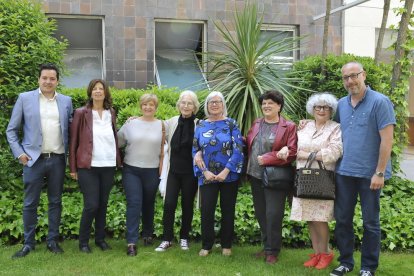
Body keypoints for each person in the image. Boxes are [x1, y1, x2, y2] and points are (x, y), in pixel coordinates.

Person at [330, 62, 395, 276]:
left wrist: (379, 172)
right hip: (344, 173)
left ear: (363, 75)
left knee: (370, 223)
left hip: (370, 175)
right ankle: (346, 262)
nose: (350, 81)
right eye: (346, 77)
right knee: (342, 220)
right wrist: (306, 124)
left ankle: (368, 267)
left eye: (354, 76)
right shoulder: (341, 104)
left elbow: (387, 140)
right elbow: (331, 132)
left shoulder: (380, 102)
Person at [6, 63, 73, 258]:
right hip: (33, 161)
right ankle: (28, 243)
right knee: (30, 203)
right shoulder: (25, 98)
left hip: (58, 160)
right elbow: (11, 130)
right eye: (45, 78)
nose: (48, 82)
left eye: (52, 79)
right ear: (39, 79)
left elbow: (72, 128)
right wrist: (20, 154)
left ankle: (52, 241)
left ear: (57, 81)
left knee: (55, 202)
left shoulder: (66, 101)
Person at [290, 93, 342, 270]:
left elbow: (335, 152)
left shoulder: (336, 128)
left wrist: (309, 155)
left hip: (322, 180)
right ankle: (317, 253)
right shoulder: (304, 126)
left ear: (331, 110)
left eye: (326, 107)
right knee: (310, 218)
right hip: (304, 178)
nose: (321, 110)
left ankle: (326, 253)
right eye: (318, 107)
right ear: (312, 109)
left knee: (320, 219)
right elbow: (294, 147)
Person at [69, 79, 122, 253]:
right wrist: (73, 168)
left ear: (105, 92)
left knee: (103, 203)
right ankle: (83, 242)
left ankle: (100, 239)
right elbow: (74, 141)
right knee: (91, 204)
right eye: (95, 89)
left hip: (107, 164)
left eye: (101, 89)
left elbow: (114, 136)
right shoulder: (81, 113)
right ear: (90, 92)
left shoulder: (111, 112)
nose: (98, 91)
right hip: (87, 166)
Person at [245, 90, 297, 264]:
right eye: (264, 103)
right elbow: (248, 143)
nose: (266, 106)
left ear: (279, 106)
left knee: (273, 214)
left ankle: (273, 251)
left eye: (271, 103)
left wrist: (268, 158)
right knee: (261, 214)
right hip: (255, 175)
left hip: (275, 178)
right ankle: (267, 247)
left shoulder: (288, 126)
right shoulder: (257, 123)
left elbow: (292, 152)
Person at [193, 91, 244, 257]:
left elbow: (238, 149)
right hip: (207, 175)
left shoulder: (231, 124)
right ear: (207, 106)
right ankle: (207, 245)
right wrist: (204, 171)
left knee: (227, 210)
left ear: (223, 105)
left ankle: (226, 244)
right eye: (211, 102)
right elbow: (195, 149)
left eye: (218, 102)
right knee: (207, 210)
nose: (214, 105)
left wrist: (225, 171)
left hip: (228, 175)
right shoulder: (200, 125)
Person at [118, 93, 164, 256]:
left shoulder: (162, 125)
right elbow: (118, 142)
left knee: (149, 203)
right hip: (132, 170)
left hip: (152, 170)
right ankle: (131, 242)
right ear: (140, 106)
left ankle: (147, 234)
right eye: (145, 104)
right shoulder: (130, 124)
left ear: (156, 107)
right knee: (134, 203)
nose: (148, 107)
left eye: (151, 104)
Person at [155, 91, 200, 252]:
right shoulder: (172, 122)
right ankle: (167, 239)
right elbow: (154, 124)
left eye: (189, 103)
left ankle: (184, 238)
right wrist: (135, 120)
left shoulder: (199, 124)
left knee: (187, 206)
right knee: (169, 204)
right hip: (173, 172)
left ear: (194, 107)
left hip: (190, 173)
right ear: (179, 105)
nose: (186, 106)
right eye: (183, 102)